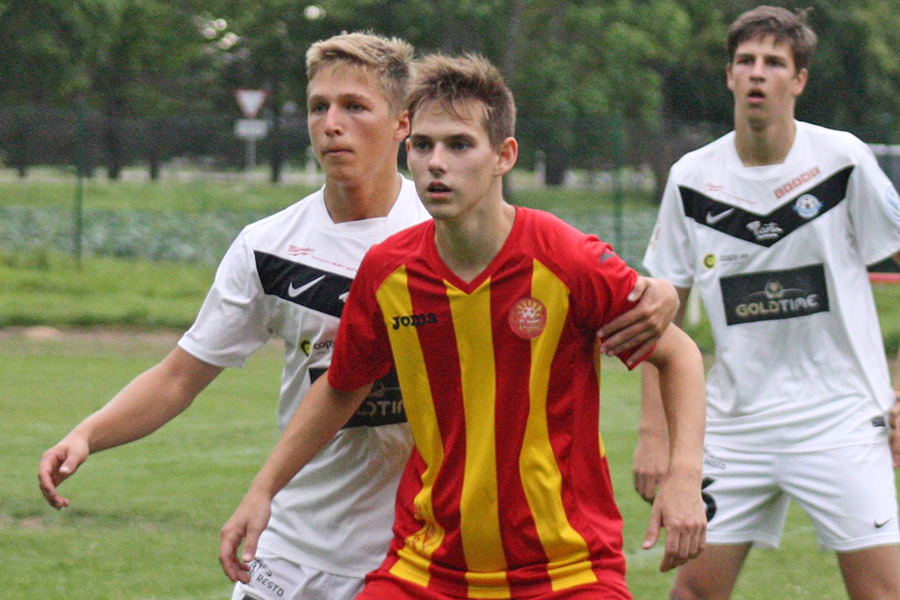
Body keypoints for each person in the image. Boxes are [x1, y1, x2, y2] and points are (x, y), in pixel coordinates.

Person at [38, 33, 678, 600]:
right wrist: (90, 433)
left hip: (416, 548)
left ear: (401, 124)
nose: (331, 125)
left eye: (354, 106)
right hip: (298, 533)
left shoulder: (454, 222)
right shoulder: (271, 246)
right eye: (319, 107)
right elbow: (184, 374)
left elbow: (595, 292)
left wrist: (662, 297)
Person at [219, 53, 708, 600]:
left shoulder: (566, 259)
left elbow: (679, 354)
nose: (436, 163)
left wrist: (684, 475)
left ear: (504, 156)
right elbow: (342, 386)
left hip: (567, 571)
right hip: (427, 569)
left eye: (458, 145)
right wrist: (263, 489)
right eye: (422, 145)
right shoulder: (387, 272)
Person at [635, 6, 900, 599]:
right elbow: (658, 317)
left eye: (775, 62)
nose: (758, 72)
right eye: (746, 60)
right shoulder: (691, 178)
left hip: (842, 420)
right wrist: (656, 432)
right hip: (735, 427)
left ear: (799, 80)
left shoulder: (843, 160)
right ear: (729, 75)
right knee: (692, 593)